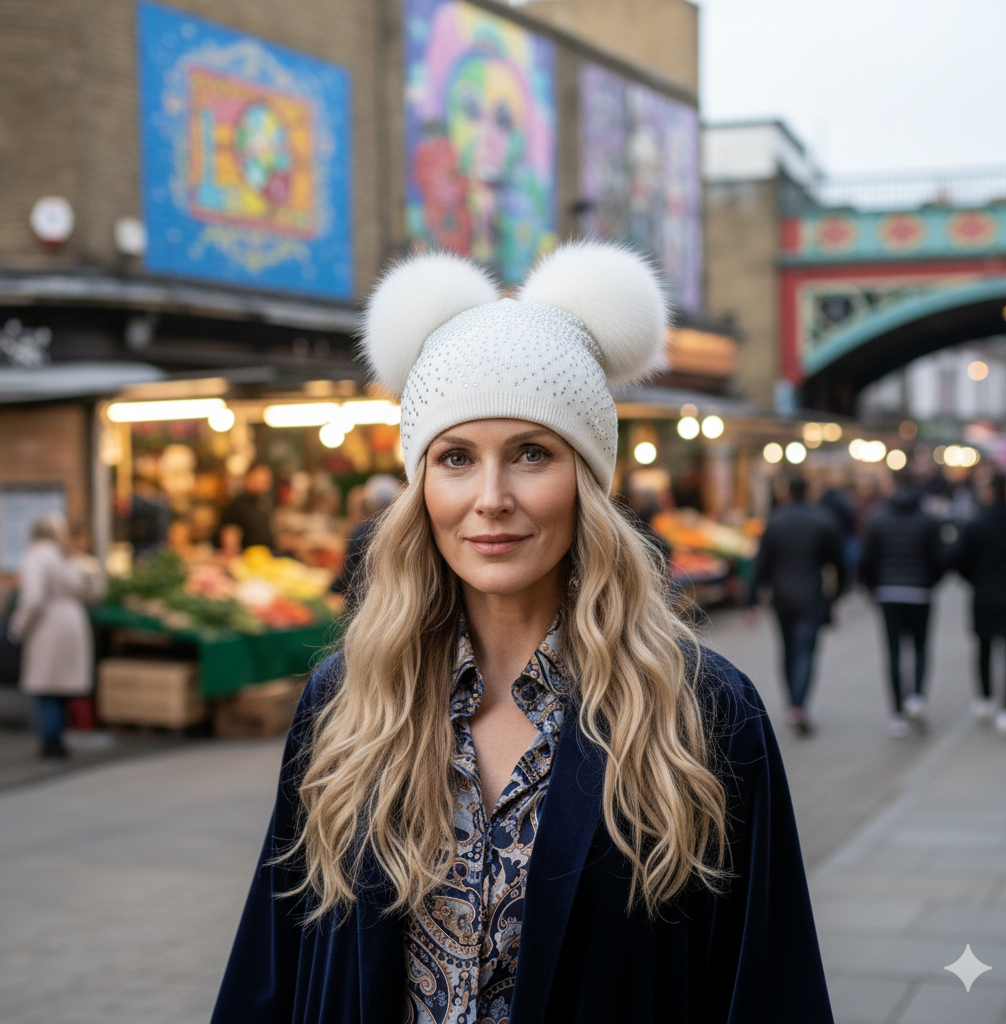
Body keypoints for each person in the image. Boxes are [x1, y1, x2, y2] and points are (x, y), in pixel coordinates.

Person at [212, 244, 833, 1023]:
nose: (491, 497)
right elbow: (273, 964)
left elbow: (770, 984)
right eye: (456, 458)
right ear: (421, 485)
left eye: (532, 453)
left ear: (587, 479)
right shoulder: (347, 701)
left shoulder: (703, 712)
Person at [747, 476, 846, 735]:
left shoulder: (775, 521)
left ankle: (792, 702)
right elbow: (838, 561)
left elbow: (761, 563)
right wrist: (839, 594)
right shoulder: (823, 520)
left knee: (788, 649)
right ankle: (798, 705)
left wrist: (752, 600)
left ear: (787, 492)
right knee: (805, 651)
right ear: (810, 491)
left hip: (781, 597)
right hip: (811, 595)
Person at [8, 515, 104, 758]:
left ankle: (51, 740)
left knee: (46, 687)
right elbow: (93, 591)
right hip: (73, 620)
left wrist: (18, 627)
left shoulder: (36, 557)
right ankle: (58, 736)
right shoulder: (69, 558)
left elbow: (33, 599)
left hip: (47, 626)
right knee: (62, 687)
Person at [859, 472, 945, 736]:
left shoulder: (878, 518)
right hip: (920, 593)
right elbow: (941, 559)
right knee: (920, 648)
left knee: (893, 653)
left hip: (889, 593)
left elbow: (866, 561)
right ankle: (916, 697)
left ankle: (897, 715)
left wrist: (874, 589)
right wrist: (929, 584)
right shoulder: (928, 519)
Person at [956, 473, 1006, 737]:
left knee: (983, 649)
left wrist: (975, 580)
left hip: (984, 596)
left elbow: (960, 562)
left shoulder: (976, 525)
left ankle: (984, 699)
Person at [329, 474, 401, 610]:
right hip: (396, 606)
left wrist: (332, 588)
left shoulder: (362, 531)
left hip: (363, 606)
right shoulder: (406, 530)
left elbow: (349, 573)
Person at [221, 463, 276, 551]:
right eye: (258, 479)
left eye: (266, 480)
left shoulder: (266, 500)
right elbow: (230, 532)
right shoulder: (237, 504)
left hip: (269, 554)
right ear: (248, 478)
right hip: (248, 556)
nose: (263, 483)